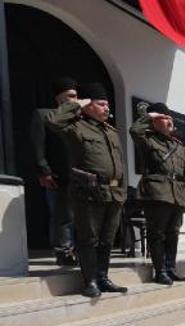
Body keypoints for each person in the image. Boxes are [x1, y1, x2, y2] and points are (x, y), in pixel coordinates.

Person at [46, 82, 127, 297]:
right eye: (101, 104)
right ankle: (90, 280)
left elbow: (119, 163)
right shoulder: (76, 126)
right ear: (88, 105)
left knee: (107, 239)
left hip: (114, 193)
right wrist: (76, 104)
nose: (107, 108)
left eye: (107, 104)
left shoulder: (110, 132)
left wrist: (123, 191)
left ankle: (103, 277)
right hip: (89, 192)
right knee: (88, 239)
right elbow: (53, 121)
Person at [131, 102, 185, 285]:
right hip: (157, 192)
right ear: (154, 122)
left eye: (169, 117)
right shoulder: (148, 139)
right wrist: (149, 116)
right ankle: (160, 270)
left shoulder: (178, 145)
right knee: (157, 233)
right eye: (163, 118)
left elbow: (184, 174)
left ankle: (171, 268)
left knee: (173, 233)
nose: (169, 121)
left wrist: (184, 194)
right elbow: (134, 131)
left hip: (176, 194)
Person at [31, 76, 78, 266]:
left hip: (79, 176)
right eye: (70, 95)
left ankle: (77, 251)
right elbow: (37, 146)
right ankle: (63, 251)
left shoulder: (78, 120)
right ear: (59, 98)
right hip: (57, 175)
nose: (74, 99)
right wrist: (44, 171)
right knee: (62, 216)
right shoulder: (44, 115)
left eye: (76, 96)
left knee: (78, 216)